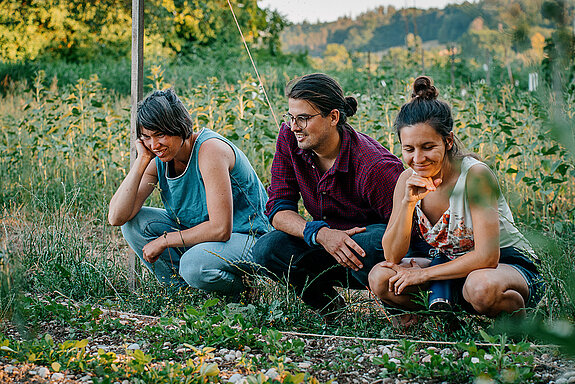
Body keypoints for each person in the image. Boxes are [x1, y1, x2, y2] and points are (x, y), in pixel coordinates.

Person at [368, 76, 544, 317]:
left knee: (481, 286)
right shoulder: (406, 179)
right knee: (380, 277)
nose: (418, 159)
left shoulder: (475, 176)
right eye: (409, 149)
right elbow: (392, 255)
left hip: (504, 266)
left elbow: (487, 257)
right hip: (450, 267)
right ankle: (450, 314)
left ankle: (517, 318)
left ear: (448, 140)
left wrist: (424, 274)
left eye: (428, 147)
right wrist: (408, 203)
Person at [252, 73, 404, 316]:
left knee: (372, 241)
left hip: (370, 255)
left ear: (333, 117)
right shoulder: (290, 139)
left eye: (303, 118)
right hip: (325, 244)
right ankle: (330, 309)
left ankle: (400, 308)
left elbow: (408, 231)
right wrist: (321, 233)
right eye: (291, 117)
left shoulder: (375, 166)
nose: (294, 127)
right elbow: (278, 207)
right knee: (267, 248)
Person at [108, 88, 269, 296]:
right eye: (146, 137)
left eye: (160, 135)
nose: (154, 145)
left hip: (250, 239)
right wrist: (141, 161)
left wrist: (164, 241)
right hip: (207, 240)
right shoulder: (158, 156)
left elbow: (220, 229)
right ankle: (183, 294)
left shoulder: (210, 150)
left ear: (179, 126)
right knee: (134, 224)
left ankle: (244, 291)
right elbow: (116, 217)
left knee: (193, 265)